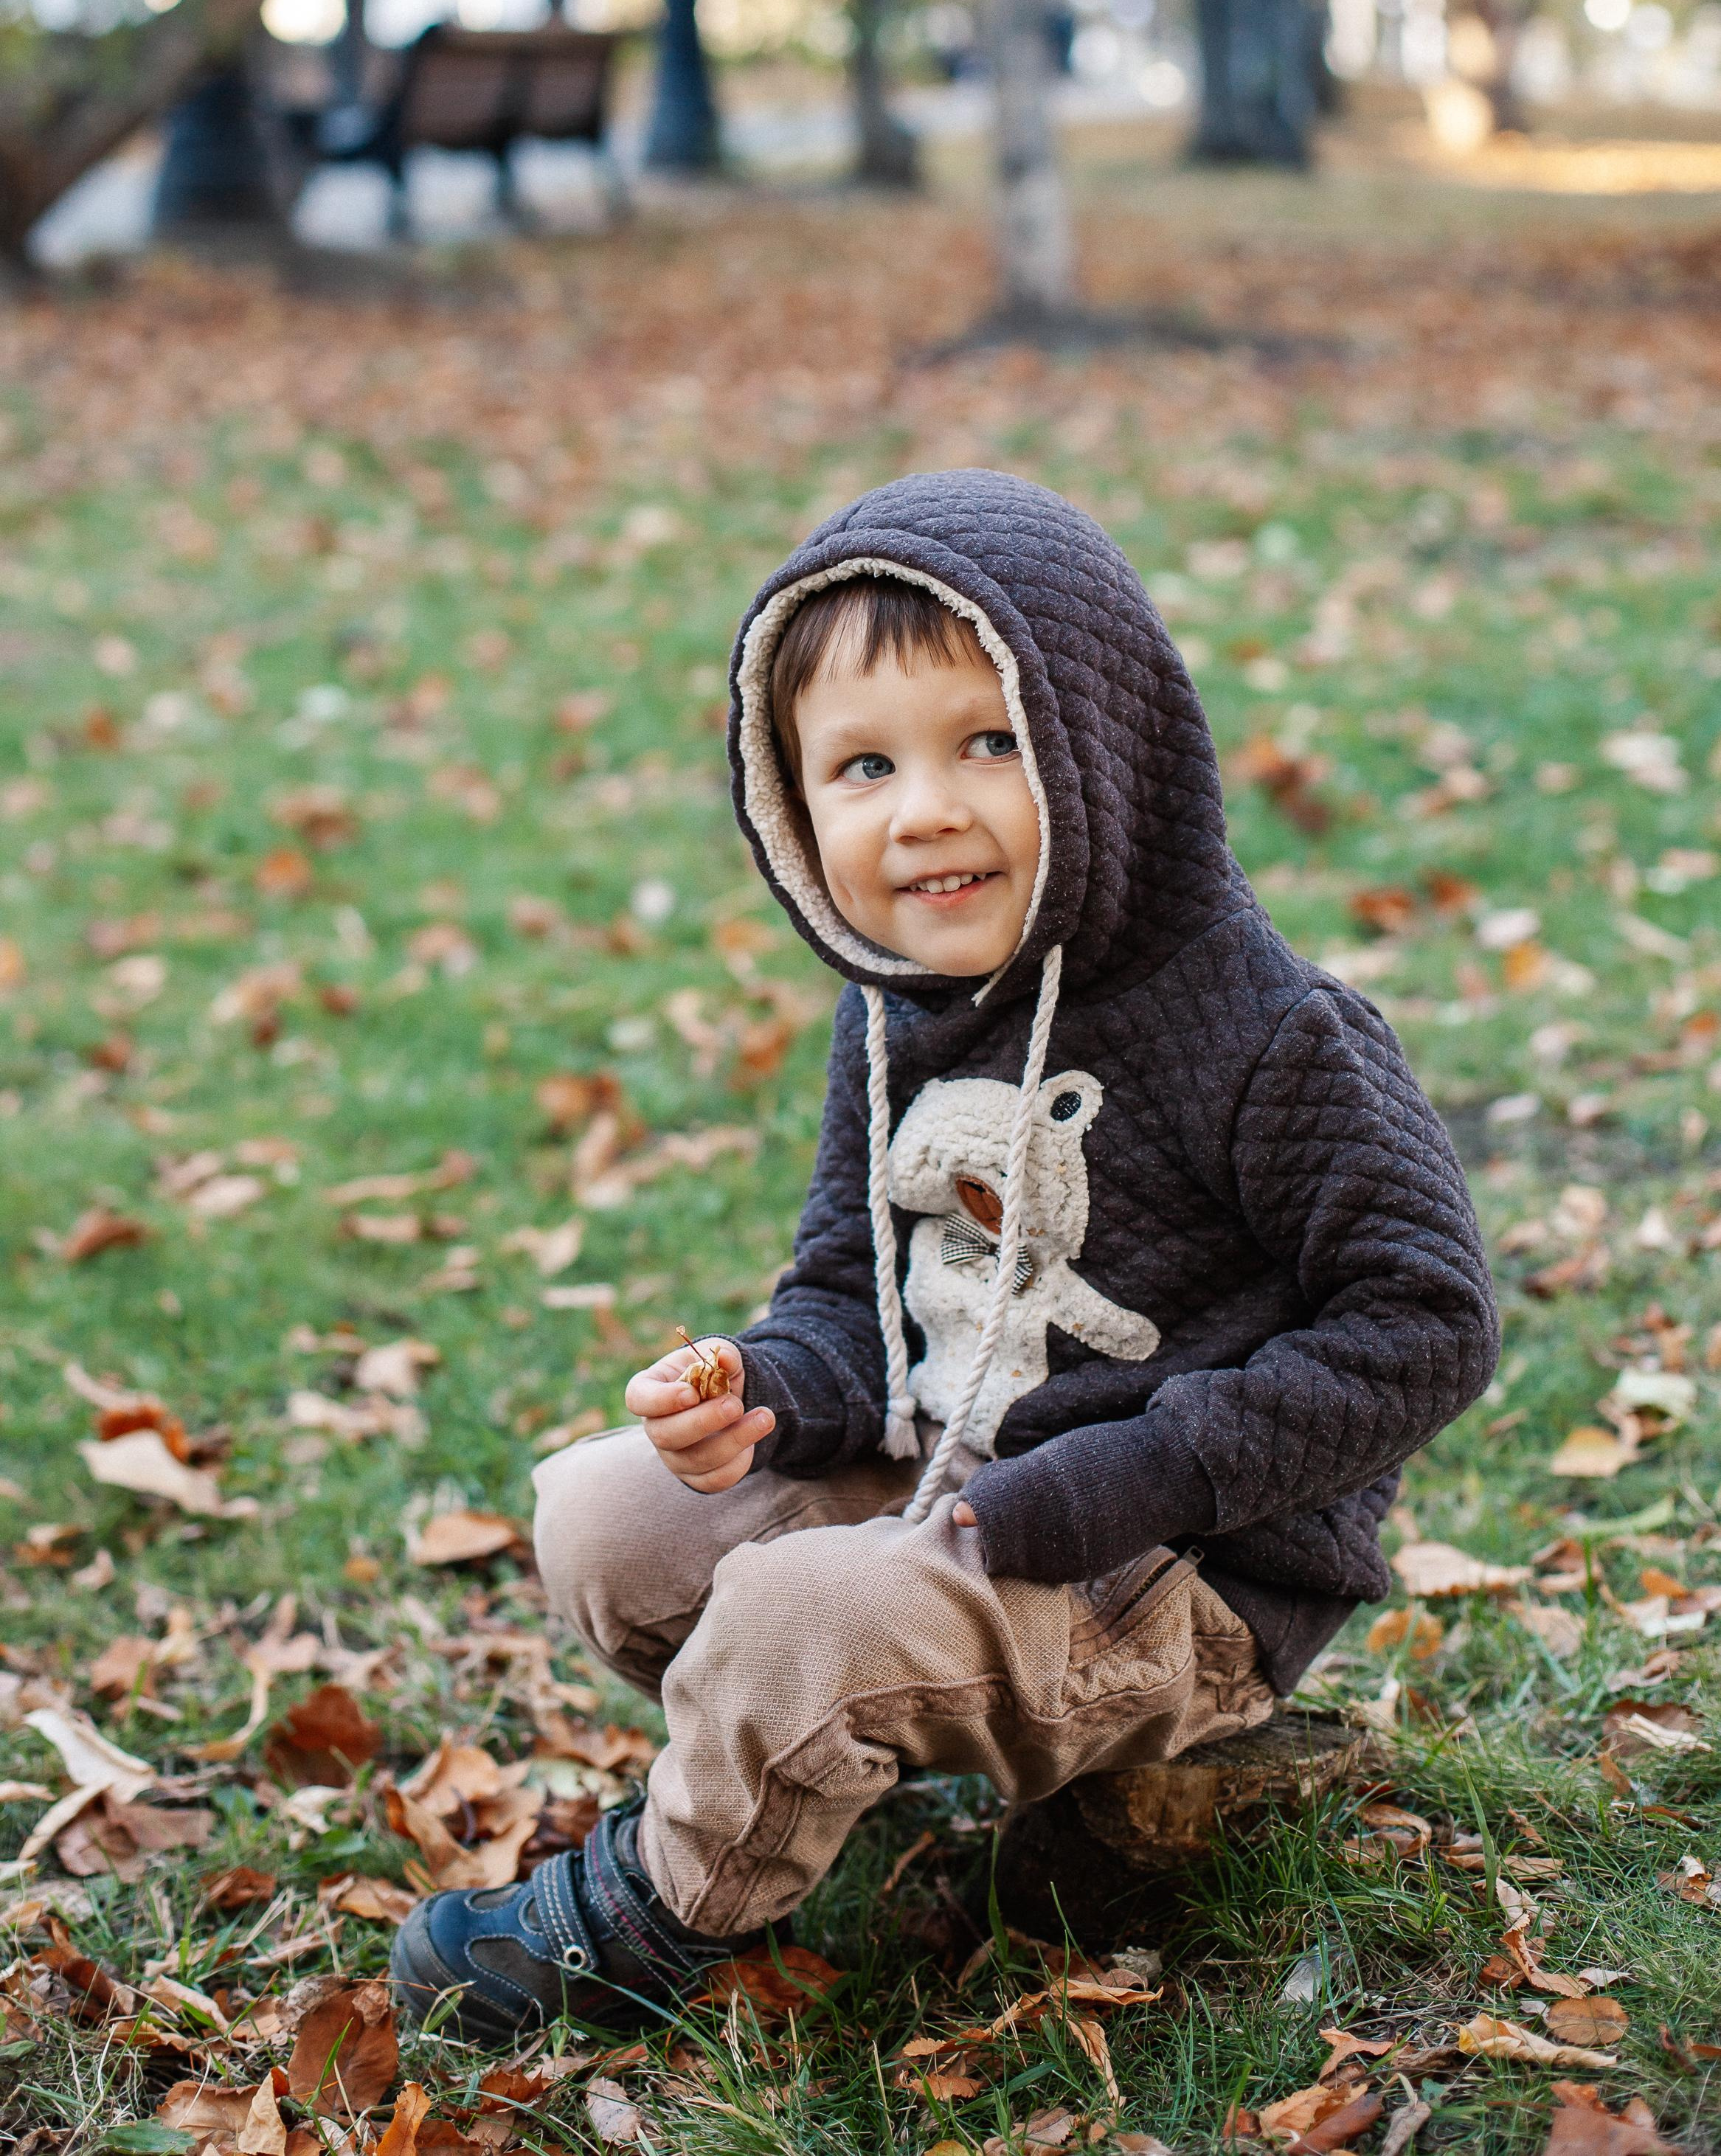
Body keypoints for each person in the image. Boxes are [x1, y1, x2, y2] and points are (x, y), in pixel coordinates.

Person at [392, 470, 1497, 2042]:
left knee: (794, 1619)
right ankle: (830, 1733)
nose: (924, 808)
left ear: (1106, 743)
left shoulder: (1271, 1034)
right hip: (953, 1476)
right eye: (861, 765)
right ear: (792, 802)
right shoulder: (897, 1012)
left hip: (1176, 1574)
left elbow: (1428, 1322)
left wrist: (1144, 1475)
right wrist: (761, 1390)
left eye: (990, 741)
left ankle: (666, 1905)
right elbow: (853, 1297)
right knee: (608, 1515)